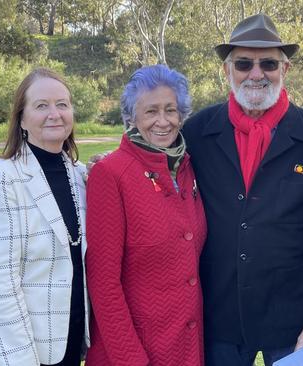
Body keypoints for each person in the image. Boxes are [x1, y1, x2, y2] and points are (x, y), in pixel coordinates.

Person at [182, 14, 303, 366]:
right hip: (219, 318)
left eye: (268, 63)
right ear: (227, 71)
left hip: (294, 322)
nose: (256, 73)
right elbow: (154, 164)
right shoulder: (197, 132)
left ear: (285, 69)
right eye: (243, 63)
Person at [0, 68, 89, 366]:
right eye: (41, 105)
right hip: (19, 343)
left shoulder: (79, 175)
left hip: (66, 334)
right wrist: (20, 358)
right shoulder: (1, 179)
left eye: (62, 104)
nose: (54, 114)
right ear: (21, 118)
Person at [85, 64, 207, 366]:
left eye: (171, 110)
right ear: (131, 117)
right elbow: (103, 283)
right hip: (135, 352)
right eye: (151, 111)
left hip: (187, 347)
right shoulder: (110, 174)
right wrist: (131, 359)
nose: (163, 121)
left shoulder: (189, 169)